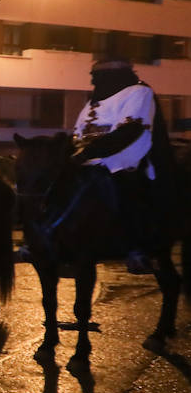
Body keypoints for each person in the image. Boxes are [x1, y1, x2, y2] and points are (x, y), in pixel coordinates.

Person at [71, 56, 174, 272]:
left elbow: (130, 130)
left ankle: (139, 249)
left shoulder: (139, 92)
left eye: (98, 77)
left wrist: (90, 152)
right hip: (88, 159)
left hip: (126, 158)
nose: (94, 82)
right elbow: (78, 132)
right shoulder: (94, 101)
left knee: (126, 191)